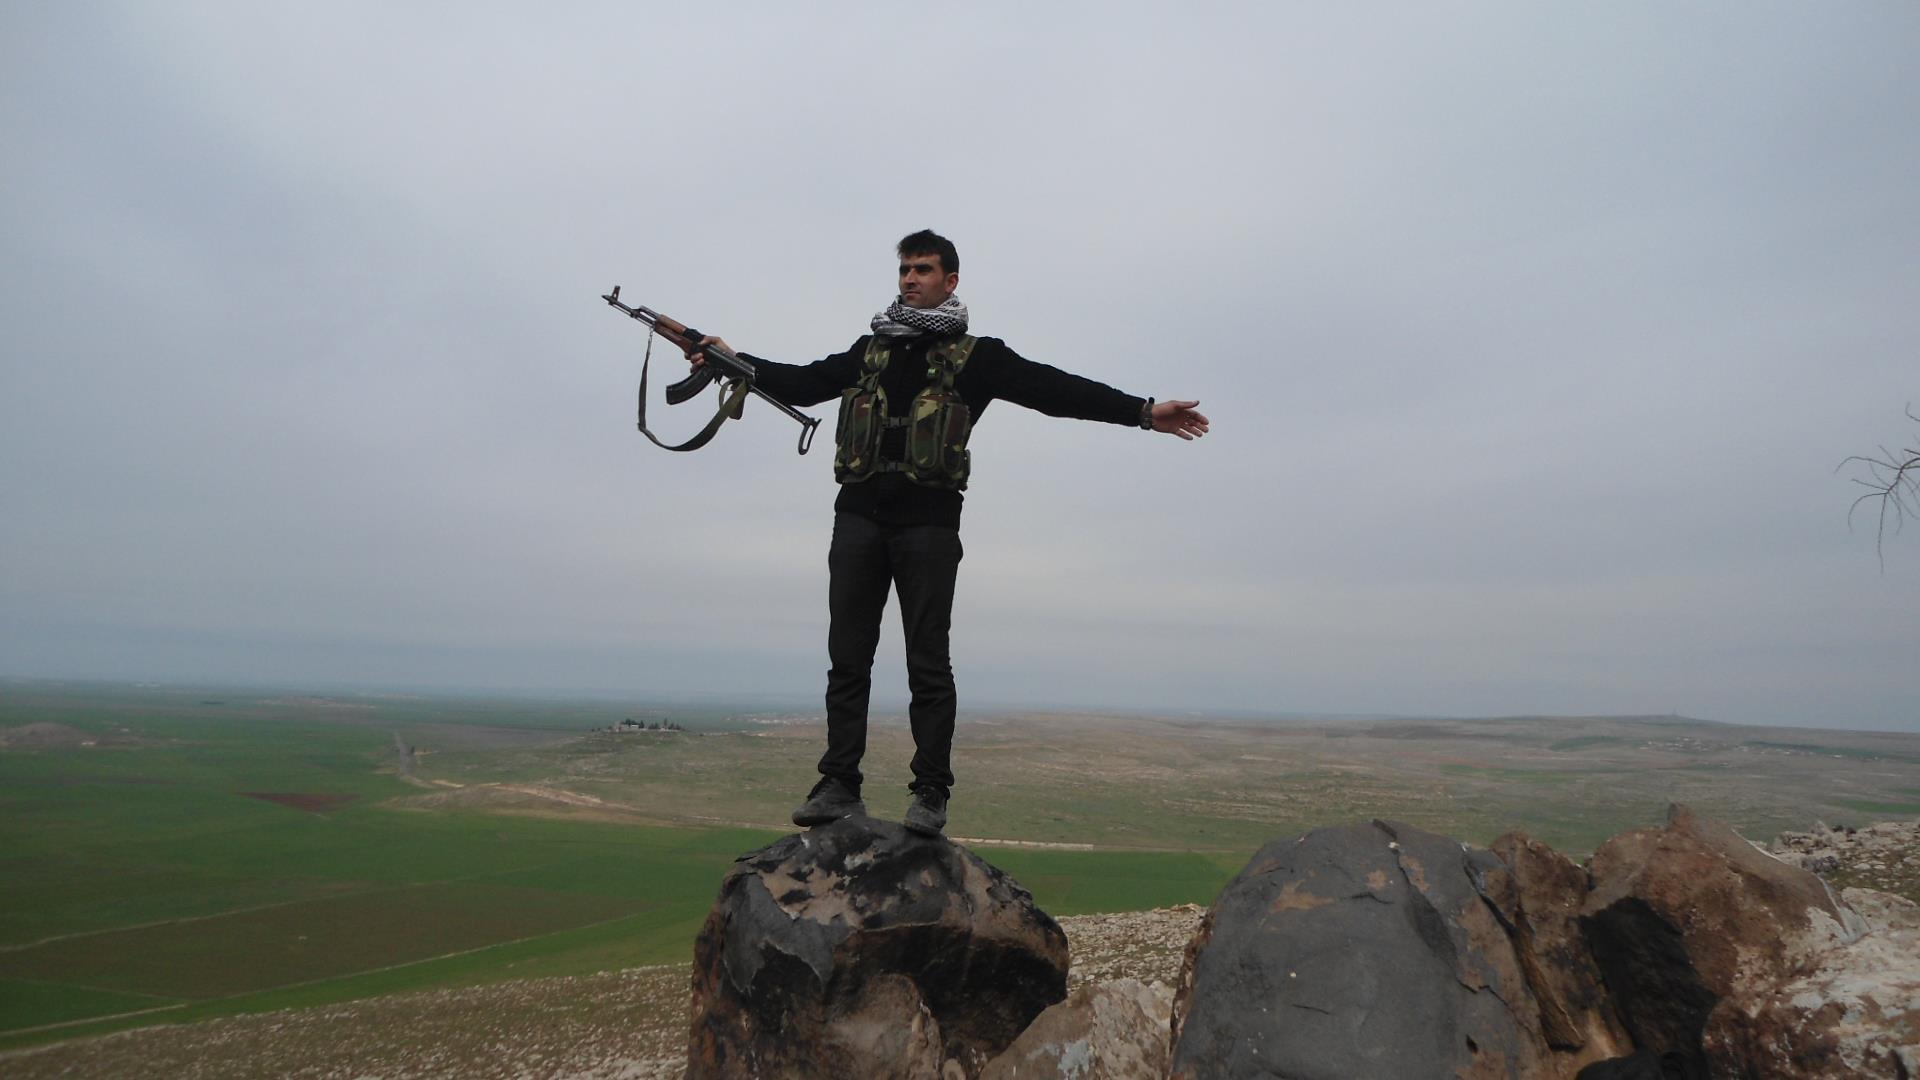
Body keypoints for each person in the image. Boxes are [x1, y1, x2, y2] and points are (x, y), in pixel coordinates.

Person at [686, 230, 1208, 836]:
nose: (910, 279)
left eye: (924, 269)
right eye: (905, 269)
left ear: (950, 281)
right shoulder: (869, 350)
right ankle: (838, 784)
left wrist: (1144, 413)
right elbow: (801, 382)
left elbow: (1055, 390)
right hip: (856, 520)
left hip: (928, 527)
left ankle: (930, 791)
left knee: (927, 662)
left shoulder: (977, 357)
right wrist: (733, 358)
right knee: (846, 659)